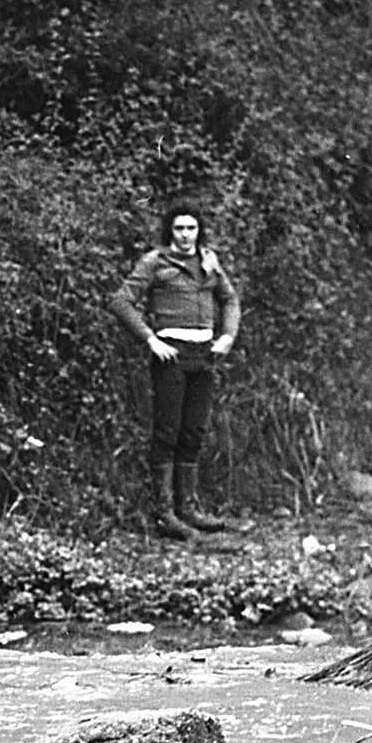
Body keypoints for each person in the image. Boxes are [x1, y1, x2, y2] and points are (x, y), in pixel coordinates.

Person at [110, 198, 241, 540]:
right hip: (171, 356)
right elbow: (121, 301)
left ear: (199, 230)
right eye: (179, 228)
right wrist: (150, 339)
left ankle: (188, 509)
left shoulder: (209, 261)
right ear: (170, 231)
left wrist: (227, 337)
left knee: (193, 430)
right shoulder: (155, 261)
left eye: (191, 228)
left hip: (204, 356)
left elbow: (229, 299)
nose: (185, 234)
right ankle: (165, 514)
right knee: (167, 431)